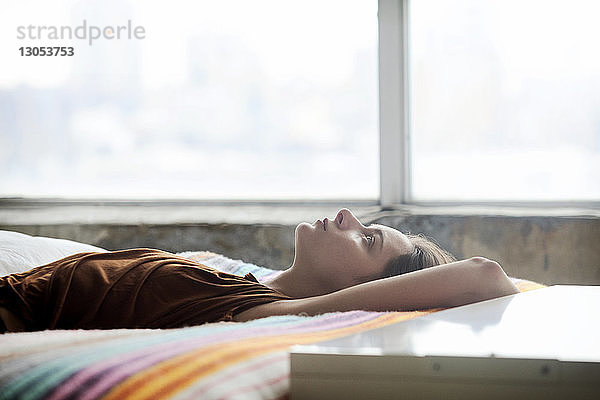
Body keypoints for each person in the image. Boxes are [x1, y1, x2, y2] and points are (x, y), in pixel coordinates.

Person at [0, 208, 518, 332]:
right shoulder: (238, 275)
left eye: (366, 239)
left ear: (372, 289)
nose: (345, 216)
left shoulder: (267, 312)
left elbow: (484, 276)